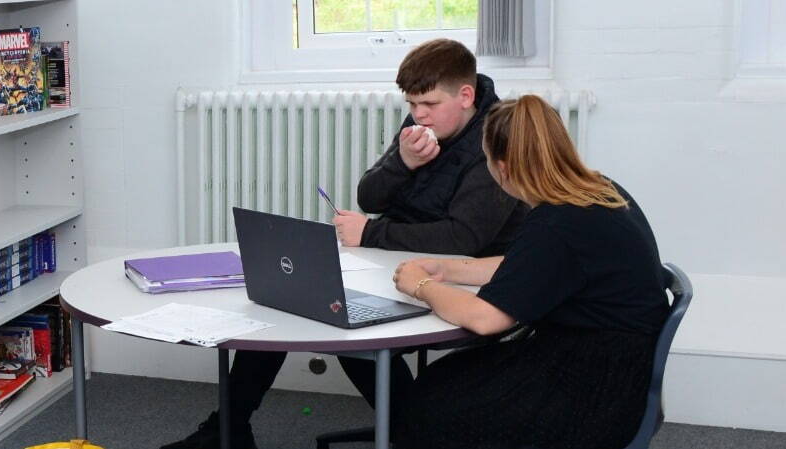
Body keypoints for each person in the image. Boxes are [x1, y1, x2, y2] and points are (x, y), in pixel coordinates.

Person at [162, 38, 526, 449]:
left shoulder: (496, 138)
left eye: (427, 104)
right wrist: (402, 163)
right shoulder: (419, 128)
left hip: (464, 276)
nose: (417, 116)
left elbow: (464, 239)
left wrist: (370, 233)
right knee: (292, 297)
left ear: (465, 96)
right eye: (410, 105)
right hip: (396, 261)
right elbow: (369, 197)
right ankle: (227, 429)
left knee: (348, 324)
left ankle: (414, 430)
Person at [388, 94, 667, 448]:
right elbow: (528, 266)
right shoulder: (595, 191)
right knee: (446, 378)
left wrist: (421, 284)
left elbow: (485, 318)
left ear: (501, 168)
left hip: (596, 389)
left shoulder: (558, 222)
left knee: (432, 406)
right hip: (617, 364)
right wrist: (447, 267)